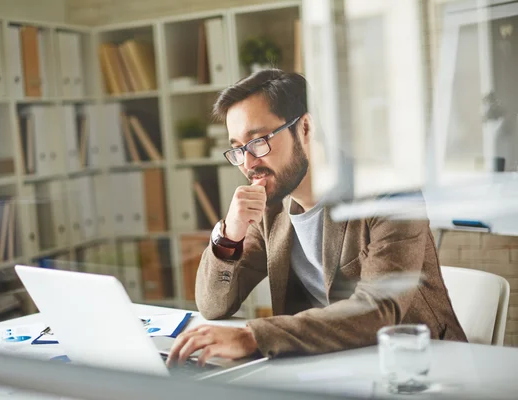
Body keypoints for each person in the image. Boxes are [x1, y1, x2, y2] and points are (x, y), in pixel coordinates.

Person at [166, 69, 467, 367]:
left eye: (258, 142)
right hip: (328, 367)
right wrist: (229, 235)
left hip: (421, 368)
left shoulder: (388, 194)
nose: (247, 163)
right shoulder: (270, 208)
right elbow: (214, 305)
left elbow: (379, 309)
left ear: (306, 128)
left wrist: (254, 336)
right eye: (237, 149)